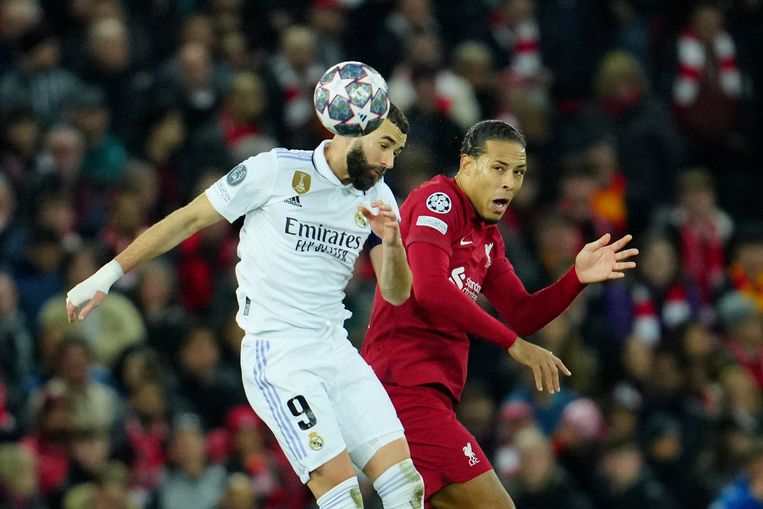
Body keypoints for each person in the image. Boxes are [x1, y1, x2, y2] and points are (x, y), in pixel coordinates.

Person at [65, 102, 426, 509]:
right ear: (353, 130)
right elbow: (188, 219)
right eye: (386, 145)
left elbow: (396, 293)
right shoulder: (276, 171)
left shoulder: (379, 199)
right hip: (279, 356)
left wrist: (393, 244)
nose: (390, 161)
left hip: (337, 350)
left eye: (397, 151)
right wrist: (108, 274)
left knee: (406, 486)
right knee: (344, 497)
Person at [361, 119, 638, 508]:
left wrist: (576, 278)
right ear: (467, 165)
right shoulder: (437, 202)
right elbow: (429, 288)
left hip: (431, 394)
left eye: (519, 172)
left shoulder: (487, 237)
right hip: (402, 388)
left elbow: (522, 313)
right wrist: (514, 346)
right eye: (499, 168)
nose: (510, 182)